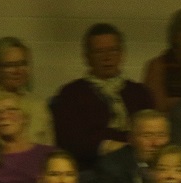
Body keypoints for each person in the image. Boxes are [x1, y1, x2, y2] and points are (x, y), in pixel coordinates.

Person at [50, 24, 154, 169]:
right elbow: (70, 142)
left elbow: (152, 133)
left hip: (137, 168)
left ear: (122, 54)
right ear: (87, 57)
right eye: (99, 52)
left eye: (113, 50)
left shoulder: (139, 92)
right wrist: (109, 145)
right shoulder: (71, 94)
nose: (107, 58)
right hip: (91, 169)